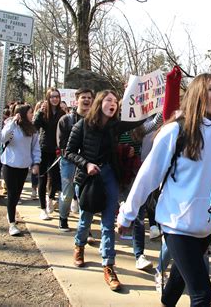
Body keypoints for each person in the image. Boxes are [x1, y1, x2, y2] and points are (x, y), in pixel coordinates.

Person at [117, 73, 211, 307]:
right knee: (202, 294)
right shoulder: (175, 131)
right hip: (177, 224)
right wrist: (128, 214)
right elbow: (147, 175)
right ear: (197, 94)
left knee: (177, 283)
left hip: (205, 227)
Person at [66, 90, 143, 291]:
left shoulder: (114, 126)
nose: (113, 104)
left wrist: (158, 109)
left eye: (116, 102)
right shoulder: (82, 125)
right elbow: (68, 152)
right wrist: (86, 164)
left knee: (108, 224)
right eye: (109, 100)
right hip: (88, 178)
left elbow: (140, 122)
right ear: (100, 102)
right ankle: (79, 245)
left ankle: (108, 266)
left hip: (109, 176)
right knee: (86, 219)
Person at [56, 88, 93, 232]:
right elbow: (61, 144)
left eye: (89, 97)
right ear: (76, 100)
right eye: (83, 97)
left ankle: (86, 226)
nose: (86, 100)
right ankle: (63, 218)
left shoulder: (94, 120)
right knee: (67, 193)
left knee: (85, 195)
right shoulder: (66, 120)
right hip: (69, 162)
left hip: (87, 163)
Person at [1, 104, 41, 236]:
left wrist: (36, 163)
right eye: (30, 113)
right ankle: (12, 224)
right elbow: (3, 138)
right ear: (23, 114)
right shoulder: (11, 125)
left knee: (17, 194)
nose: (32, 115)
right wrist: (13, 122)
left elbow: (35, 147)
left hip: (23, 167)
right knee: (12, 194)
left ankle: (10, 213)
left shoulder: (32, 130)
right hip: (9, 165)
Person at [34, 87, 65, 219]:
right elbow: (35, 126)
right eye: (52, 96)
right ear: (48, 98)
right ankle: (43, 209)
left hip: (57, 150)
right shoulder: (43, 112)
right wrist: (39, 113)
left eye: (57, 96)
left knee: (55, 177)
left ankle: (50, 199)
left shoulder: (62, 113)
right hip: (43, 148)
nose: (55, 99)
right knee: (43, 178)